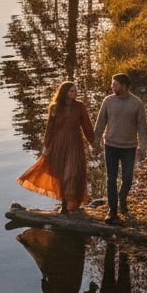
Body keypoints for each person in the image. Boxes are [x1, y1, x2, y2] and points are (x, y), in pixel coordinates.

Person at [17, 81, 97, 214]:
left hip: (75, 143)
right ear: (65, 92)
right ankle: (64, 205)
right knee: (61, 174)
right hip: (59, 144)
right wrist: (46, 146)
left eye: (75, 90)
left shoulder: (80, 106)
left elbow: (87, 126)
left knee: (72, 173)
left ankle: (73, 203)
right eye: (72, 91)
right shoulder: (55, 108)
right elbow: (50, 128)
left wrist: (93, 143)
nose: (75, 93)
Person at [92, 73, 147, 225]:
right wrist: (96, 143)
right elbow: (100, 123)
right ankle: (112, 211)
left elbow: (142, 128)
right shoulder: (108, 101)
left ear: (124, 87)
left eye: (115, 84)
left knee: (128, 178)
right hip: (111, 146)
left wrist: (143, 148)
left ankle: (122, 197)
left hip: (129, 147)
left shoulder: (137, 103)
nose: (112, 87)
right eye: (112, 84)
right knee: (111, 178)